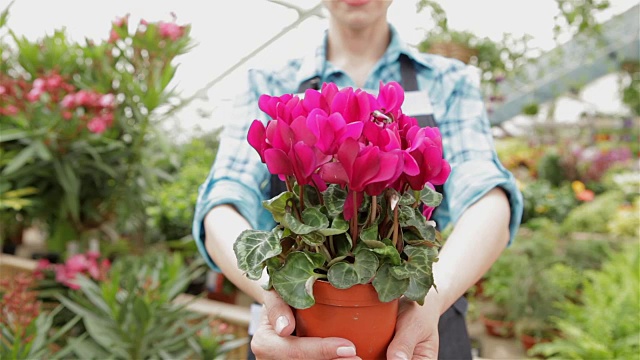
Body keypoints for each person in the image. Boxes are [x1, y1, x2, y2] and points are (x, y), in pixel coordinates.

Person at [193, 0, 523, 359]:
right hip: (295, 336)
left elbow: (487, 195)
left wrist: (435, 294)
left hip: (426, 327)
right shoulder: (268, 79)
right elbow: (223, 200)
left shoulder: (447, 80)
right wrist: (274, 296)